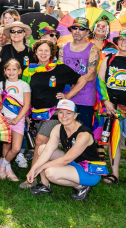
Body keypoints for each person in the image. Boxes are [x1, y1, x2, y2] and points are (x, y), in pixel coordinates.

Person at [18, 40, 81, 190]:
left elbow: (82, 80)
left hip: (54, 113)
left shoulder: (60, 69)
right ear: (35, 53)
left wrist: (67, 96)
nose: (43, 54)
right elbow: (26, 93)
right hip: (36, 114)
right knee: (45, 147)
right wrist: (26, 113)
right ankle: (51, 178)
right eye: (40, 50)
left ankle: (31, 178)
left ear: (52, 52)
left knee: (39, 142)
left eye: (47, 50)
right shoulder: (29, 70)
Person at [26, 99, 106, 200]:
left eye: (68, 113)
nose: (64, 116)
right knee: (42, 148)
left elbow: (66, 160)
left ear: (75, 115)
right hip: (74, 161)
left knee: (50, 173)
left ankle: (81, 187)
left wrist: (42, 167)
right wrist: (33, 168)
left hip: (88, 171)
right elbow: (47, 151)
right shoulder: (58, 128)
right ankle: (44, 185)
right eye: (61, 112)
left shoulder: (83, 135)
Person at [97, 29, 126, 185]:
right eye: (121, 39)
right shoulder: (109, 59)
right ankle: (114, 173)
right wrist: (106, 101)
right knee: (114, 140)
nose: (124, 42)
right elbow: (101, 81)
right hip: (113, 107)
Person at [59, 17, 100, 129]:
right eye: (75, 28)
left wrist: (68, 95)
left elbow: (90, 75)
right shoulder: (63, 48)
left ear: (87, 32)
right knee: (66, 132)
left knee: (83, 133)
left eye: (81, 28)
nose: (77, 31)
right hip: (65, 97)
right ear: (71, 30)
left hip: (84, 99)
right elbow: (60, 73)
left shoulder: (93, 49)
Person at [0, 59, 30, 181]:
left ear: (19, 71)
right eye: (8, 69)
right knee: (6, 145)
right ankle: (7, 169)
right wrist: (2, 116)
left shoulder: (24, 85)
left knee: (16, 148)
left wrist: (17, 119)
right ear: (5, 71)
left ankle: (2, 164)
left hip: (18, 120)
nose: (11, 72)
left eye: (14, 69)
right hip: (4, 119)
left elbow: (26, 105)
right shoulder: (1, 85)